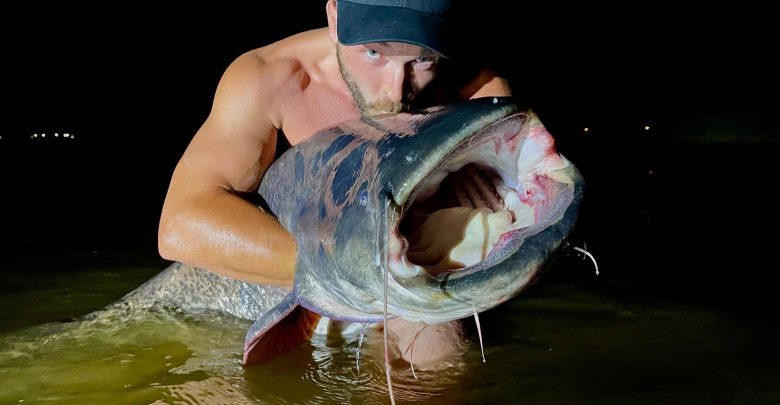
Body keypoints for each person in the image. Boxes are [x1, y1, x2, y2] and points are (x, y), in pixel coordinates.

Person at [158, 0, 512, 368]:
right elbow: (179, 226)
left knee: (441, 370)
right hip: (289, 276)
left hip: (407, 276)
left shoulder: (474, 90)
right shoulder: (270, 78)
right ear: (334, 18)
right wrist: (347, 271)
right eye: (374, 52)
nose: (395, 91)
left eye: (422, 60)